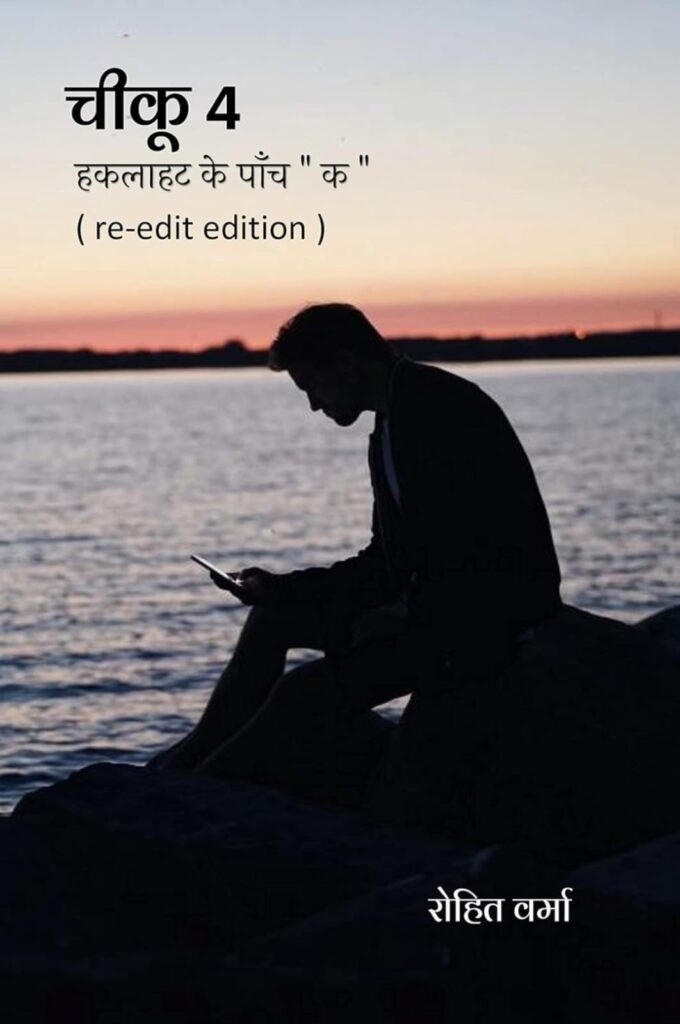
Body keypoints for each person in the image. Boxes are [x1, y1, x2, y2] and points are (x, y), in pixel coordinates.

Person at [149, 303, 564, 837]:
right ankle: (193, 761)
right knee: (274, 619)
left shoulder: (437, 413)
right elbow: (386, 561)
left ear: (345, 363)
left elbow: (474, 557)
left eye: (312, 387)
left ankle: (194, 799)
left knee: (303, 694)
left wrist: (398, 614)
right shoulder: (392, 421)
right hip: (435, 611)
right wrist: (281, 588)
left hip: (482, 626)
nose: (314, 406)